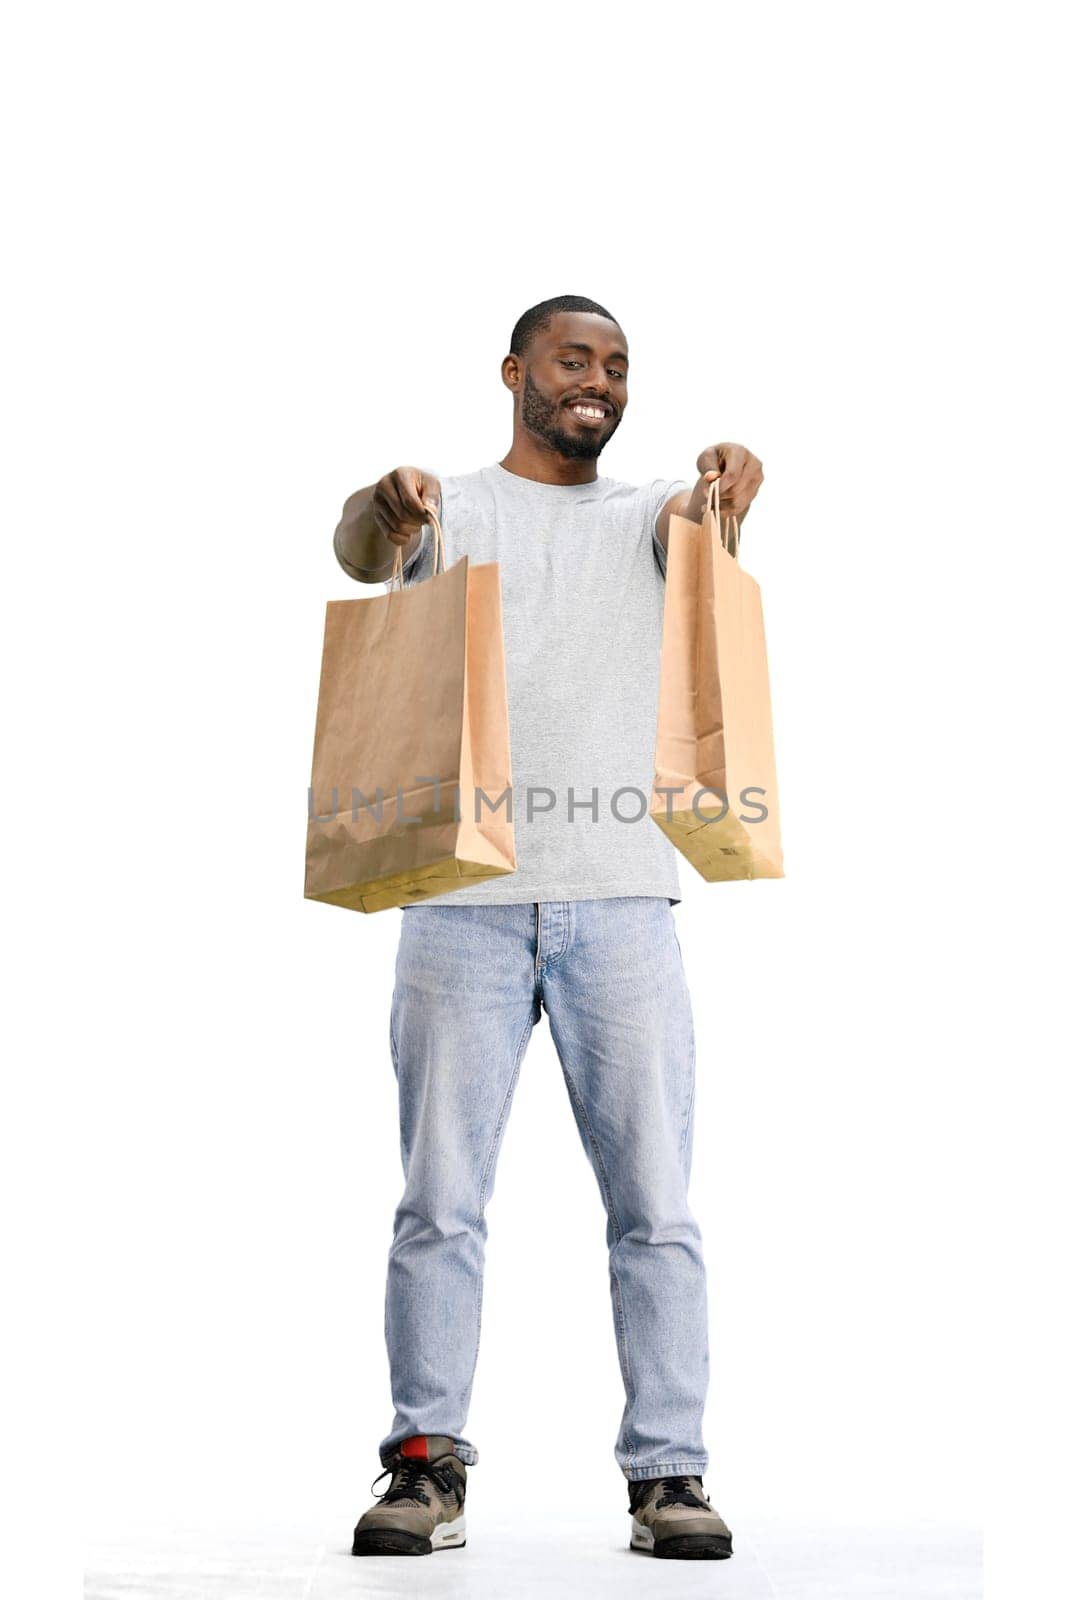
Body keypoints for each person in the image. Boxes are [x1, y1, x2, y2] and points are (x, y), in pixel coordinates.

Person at [332, 295, 765, 1560]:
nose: (598, 381)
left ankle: (669, 1475)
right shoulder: (444, 506)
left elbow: (706, 520)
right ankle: (423, 1465)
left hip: (621, 899)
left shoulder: (647, 515)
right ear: (515, 371)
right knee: (439, 1202)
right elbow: (361, 553)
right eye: (574, 360)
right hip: (457, 906)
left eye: (617, 366)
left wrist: (734, 483)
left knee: (654, 1204)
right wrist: (383, 499)